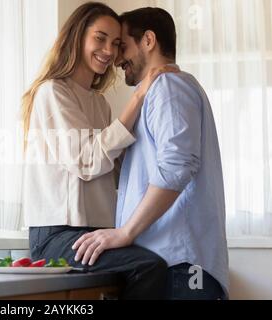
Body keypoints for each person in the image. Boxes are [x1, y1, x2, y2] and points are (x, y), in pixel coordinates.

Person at [22, 2, 177, 300]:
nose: (109, 50)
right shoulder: (53, 92)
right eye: (100, 38)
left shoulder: (99, 104)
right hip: (58, 235)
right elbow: (87, 161)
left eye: (116, 43)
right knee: (149, 267)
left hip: (93, 231)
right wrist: (140, 94)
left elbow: (114, 168)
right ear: (78, 36)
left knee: (159, 262)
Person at [72, 7, 229, 300]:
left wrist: (125, 232)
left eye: (122, 46)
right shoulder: (165, 89)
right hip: (174, 265)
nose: (117, 59)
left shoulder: (168, 87)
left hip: (182, 267)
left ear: (148, 40)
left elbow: (177, 166)